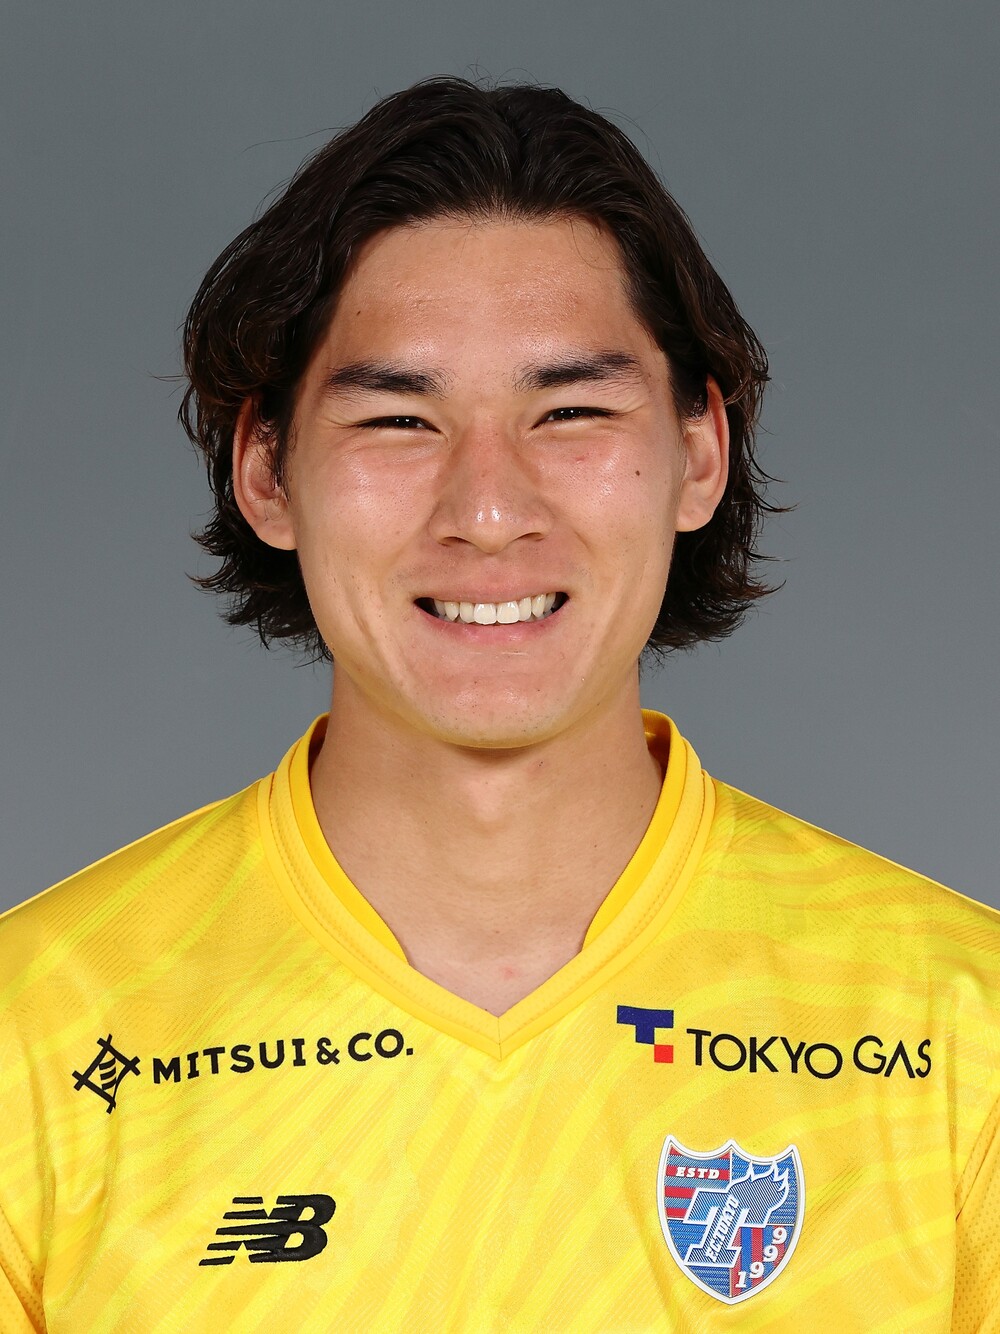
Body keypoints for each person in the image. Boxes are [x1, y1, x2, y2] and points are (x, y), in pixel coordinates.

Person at [0, 77, 996, 1332]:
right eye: (398, 417)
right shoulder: (35, 1031)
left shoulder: (961, 1029)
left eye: (569, 410)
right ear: (266, 471)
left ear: (698, 454)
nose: (486, 508)